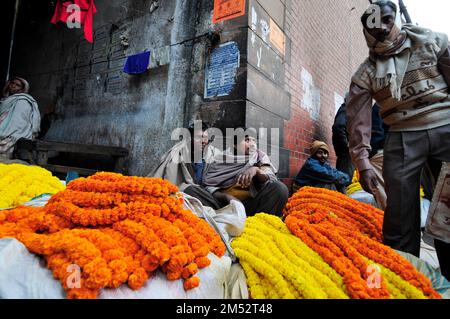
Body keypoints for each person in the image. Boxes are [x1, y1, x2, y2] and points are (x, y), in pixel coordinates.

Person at [346, 0, 450, 276]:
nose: (381, 27)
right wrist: (363, 163)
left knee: (447, 205)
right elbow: (356, 118)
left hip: (446, 127)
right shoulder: (365, 72)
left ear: (397, 19)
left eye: (388, 19)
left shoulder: (432, 42)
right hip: (402, 135)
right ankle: (402, 273)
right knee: (400, 213)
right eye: (373, 24)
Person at [203, 128, 289, 217]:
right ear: (235, 145)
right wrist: (226, 197)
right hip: (224, 205)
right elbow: (208, 186)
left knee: (280, 188)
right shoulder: (220, 159)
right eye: (247, 140)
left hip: (249, 207)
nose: (252, 144)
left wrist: (256, 170)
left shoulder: (259, 157)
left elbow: (271, 179)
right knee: (192, 190)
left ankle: (258, 223)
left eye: (254, 141)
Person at [150, 121, 222, 209]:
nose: (203, 141)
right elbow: (168, 179)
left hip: (206, 195)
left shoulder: (213, 154)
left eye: (205, 138)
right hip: (184, 196)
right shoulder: (178, 153)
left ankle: (219, 208)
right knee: (189, 189)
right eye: (199, 137)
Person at [0, 77, 41, 160]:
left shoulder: (23, 101)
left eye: (17, 85)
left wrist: (8, 134)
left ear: (22, 89)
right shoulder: (6, 100)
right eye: (12, 83)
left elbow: (19, 122)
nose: (13, 86)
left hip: (10, 133)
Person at [332, 100, 355, 180]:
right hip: (346, 152)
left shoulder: (346, 109)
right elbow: (338, 126)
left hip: (347, 153)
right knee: (346, 180)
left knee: (347, 178)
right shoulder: (346, 109)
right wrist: (346, 145)